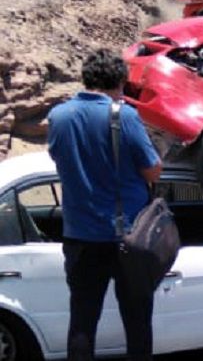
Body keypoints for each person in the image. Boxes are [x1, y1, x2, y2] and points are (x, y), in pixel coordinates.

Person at [48, 49, 162, 361]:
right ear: (121, 82)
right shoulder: (124, 116)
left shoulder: (58, 117)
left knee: (83, 322)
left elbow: (60, 161)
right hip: (128, 240)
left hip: (80, 237)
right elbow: (152, 170)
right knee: (137, 322)